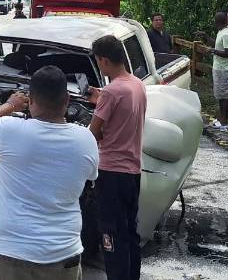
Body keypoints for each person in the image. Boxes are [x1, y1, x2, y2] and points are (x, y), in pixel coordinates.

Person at [0, 65, 99, 280]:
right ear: (67, 100)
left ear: (30, 100)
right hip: (63, 258)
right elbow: (90, 177)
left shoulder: (8, 130)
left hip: (9, 254)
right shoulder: (86, 140)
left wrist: (10, 105)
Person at [88, 35, 147, 280]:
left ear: (103, 60)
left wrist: (100, 103)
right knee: (129, 232)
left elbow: (93, 132)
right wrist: (101, 99)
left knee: (111, 235)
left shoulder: (112, 92)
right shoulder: (136, 85)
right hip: (132, 171)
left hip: (111, 171)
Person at [195, 12, 228, 130]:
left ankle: (224, 122)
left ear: (218, 22)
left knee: (224, 95)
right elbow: (217, 45)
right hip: (218, 67)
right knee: (220, 94)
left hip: (223, 68)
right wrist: (206, 36)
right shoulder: (221, 31)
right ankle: (221, 118)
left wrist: (212, 51)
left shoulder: (226, 34)